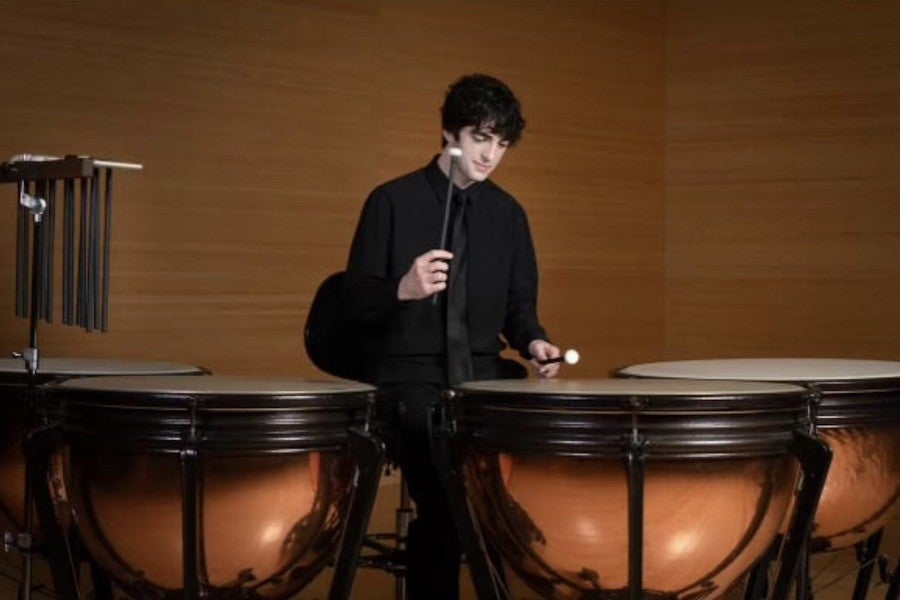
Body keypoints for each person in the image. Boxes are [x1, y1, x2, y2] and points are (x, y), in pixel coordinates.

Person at [343, 73, 560, 599]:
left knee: (524, 481)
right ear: (449, 133)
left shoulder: (508, 214)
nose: (490, 155)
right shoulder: (391, 201)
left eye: (502, 143)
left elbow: (518, 309)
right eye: (480, 137)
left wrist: (534, 342)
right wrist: (404, 287)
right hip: (409, 375)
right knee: (447, 499)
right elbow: (352, 303)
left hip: (482, 374)